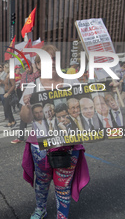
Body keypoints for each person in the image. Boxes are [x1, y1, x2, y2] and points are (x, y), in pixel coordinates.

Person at [20, 45, 89, 219]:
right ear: (37, 65)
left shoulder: (70, 81)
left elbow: (86, 103)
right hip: (40, 144)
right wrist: (28, 105)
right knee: (42, 182)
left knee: (63, 183)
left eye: (54, 59)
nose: (50, 63)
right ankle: (40, 209)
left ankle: (62, 215)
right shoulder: (32, 86)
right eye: (45, 60)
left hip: (68, 143)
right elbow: (26, 118)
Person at [12, 61, 40, 144]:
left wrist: (34, 70)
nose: (27, 69)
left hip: (38, 97)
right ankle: (20, 137)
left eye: (28, 67)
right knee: (23, 118)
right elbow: (22, 85)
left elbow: (37, 78)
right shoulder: (24, 74)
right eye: (25, 68)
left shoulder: (37, 73)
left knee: (39, 117)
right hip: (26, 97)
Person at [1, 63, 16, 127]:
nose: (3, 68)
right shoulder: (7, 75)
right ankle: (11, 121)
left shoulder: (10, 76)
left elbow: (13, 85)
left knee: (6, 107)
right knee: (7, 108)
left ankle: (12, 121)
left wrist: (8, 93)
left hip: (9, 93)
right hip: (6, 92)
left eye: (4, 67)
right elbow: (5, 83)